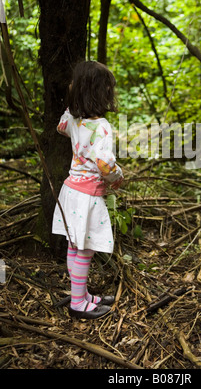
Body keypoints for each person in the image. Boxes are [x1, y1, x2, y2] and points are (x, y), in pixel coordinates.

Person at [52, 60, 123, 319]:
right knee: (85, 249)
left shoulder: (72, 120)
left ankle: (79, 294)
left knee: (74, 245)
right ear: (100, 92)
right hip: (87, 197)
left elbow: (60, 128)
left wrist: (72, 108)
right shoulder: (102, 126)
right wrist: (117, 177)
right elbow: (104, 164)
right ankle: (78, 304)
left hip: (69, 192)